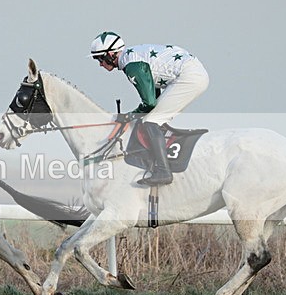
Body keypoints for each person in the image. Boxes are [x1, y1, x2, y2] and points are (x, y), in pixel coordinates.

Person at [89, 31, 209, 186]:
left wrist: (130, 115)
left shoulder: (132, 66)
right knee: (151, 117)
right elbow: (153, 92)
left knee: (151, 121)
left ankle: (163, 171)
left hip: (189, 76)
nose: (100, 64)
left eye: (99, 58)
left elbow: (149, 103)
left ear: (111, 54)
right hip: (191, 71)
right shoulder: (132, 57)